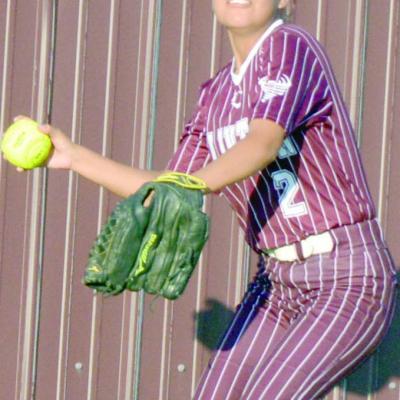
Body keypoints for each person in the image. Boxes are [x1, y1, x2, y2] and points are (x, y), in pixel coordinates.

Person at [15, 0, 397, 398]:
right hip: (277, 286)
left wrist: (188, 189)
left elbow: (262, 144)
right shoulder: (215, 95)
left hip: (346, 279)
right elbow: (165, 190)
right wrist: (74, 156)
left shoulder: (291, 46)